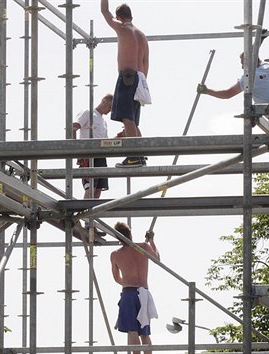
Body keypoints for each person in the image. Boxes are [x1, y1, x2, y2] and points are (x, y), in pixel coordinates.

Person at [197, 53, 269, 193]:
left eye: (243, 63)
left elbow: (227, 94)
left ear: (249, 63)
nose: (242, 66)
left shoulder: (249, 78)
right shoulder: (267, 67)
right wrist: (260, 39)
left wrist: (207, 91)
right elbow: (254, 52)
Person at [101, 0, 150, 168]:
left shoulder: (122, 28)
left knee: (126, 117)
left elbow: (105, 12)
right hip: (139, 78)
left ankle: (134, 155)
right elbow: (145, 62)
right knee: (133, 120)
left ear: (119, 17)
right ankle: (139, 154)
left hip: (127, 77)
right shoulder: (142, 35)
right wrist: (142, 84)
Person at [110, 222, 159, 354]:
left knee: (133, 331)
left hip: (128, 293)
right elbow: (157, 259)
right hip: (143, 292)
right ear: (130, 233)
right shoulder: (144, 247)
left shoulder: (115, 254)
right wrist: (151, 242)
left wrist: (127, 283)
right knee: (144, 332)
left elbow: (116, 278)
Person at [72, 93, 113, 199]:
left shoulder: (103, 121)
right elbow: (73, 127)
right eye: (110, 107)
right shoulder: (88, 113)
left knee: (98, 189)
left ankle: (90, 214)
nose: (110, 110)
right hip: (88, 155)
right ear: (104, 101)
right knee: (91, 187)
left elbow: (106, 141)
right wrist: (75, 148)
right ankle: (84, 214)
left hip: (101, 156)